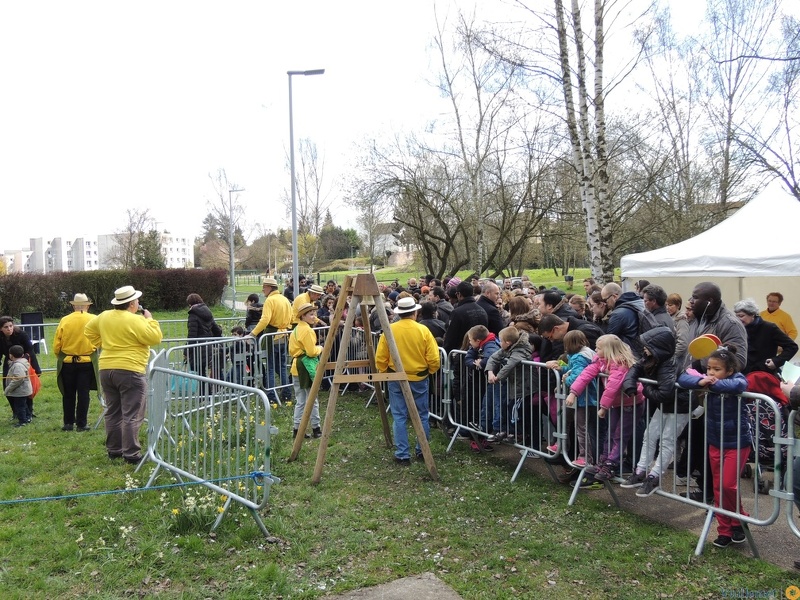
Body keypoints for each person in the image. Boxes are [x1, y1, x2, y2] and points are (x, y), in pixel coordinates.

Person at [677, 345, 749, 548]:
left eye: (716, 369)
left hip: (737, 442)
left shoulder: (738, 379)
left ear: (730, 370)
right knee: (718, 486)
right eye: (709, 368)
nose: (710, 372)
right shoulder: (706, 379)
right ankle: (726, 529)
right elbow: (683, 378)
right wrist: (701, 381)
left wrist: (710, 384)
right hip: (715, 441)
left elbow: (739, 386)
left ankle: (739, 519)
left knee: (729, 485)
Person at [84, 285, 163, 464]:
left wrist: (103, 344)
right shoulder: (137, 320)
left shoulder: (103, 316)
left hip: (106, 368)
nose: (138, 302)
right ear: (131, 303)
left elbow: (88, 330)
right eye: (136, 300)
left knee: (112, 411)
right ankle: (131, 453)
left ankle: (114, 450)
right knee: (132, 414)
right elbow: (155, 338)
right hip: (130, 369)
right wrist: (150, 319)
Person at [620, 327, 690, 497]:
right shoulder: (652, 358)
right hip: (665, 405)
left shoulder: (668, 365)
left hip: (679, 407)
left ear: (657, 348)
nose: (644, 349)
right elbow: (636, 369)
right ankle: (641, 470)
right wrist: (629, 384)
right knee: (649, 435)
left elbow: (664, 393)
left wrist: (644, 387)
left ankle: (655, 476)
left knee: (667, 440)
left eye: (647, 346)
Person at [566, 334, 643, 482]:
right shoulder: (601, 361)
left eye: (598, 348)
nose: (595, 349)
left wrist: (603, 407)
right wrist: (573, 392)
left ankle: (611, 464)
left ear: (608, 350)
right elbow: (585, 375)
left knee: (620, 435)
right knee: (611, 432)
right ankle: (604, 460)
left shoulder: (620, 365)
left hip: (631, 404)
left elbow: (612, 387)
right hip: (616, 404)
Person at [375, 296, 441, 465]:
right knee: (422, 416)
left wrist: (384, 371)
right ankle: (422, 450)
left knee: (399, 416)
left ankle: (403, 454)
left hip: (396, 377)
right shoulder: (423, 330)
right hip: (419, 377)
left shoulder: (390, 330)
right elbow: (434, 358)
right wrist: (430, 371)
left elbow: (381, 357)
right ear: (415, 312)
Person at [546, 330, 597, 468]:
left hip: (582, 398)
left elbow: (577, 376)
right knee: (564, 419)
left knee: (581, 428)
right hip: (576, 398)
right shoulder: (580, 355)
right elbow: (571, 369)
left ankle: (585, 457)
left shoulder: (580, 357)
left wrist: (565, 379)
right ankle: (561, 445)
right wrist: (560, 366)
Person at [54, 293, 98, 431]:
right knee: (84, 393)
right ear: (87, 306)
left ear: (73, 305)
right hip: (86, 361)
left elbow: (57, 343)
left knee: (68, 393)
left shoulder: (65, 320)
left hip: (68, 361)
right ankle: (81, 423)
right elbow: (99, 339)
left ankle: (68, 423)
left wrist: (60, 355)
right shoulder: (94, 319)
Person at [249, 277, 293, 403]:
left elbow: (265, 319)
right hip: (284, 335)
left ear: (269, 287)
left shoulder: (270, 300)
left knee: (271, 367)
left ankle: (271, 395)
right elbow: (291, 318)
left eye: (264, 287)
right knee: (283, 366)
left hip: (272, 335)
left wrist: (252, 333)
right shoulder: (285, 299)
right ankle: (286, 394)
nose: (263, 289)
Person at [485, 326, 532, 442]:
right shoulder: (507, 348)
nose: (499, 343)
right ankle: (507, 430)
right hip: (512, 386)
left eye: (500, 341)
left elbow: (510, 365)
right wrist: (490, 372)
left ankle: (517, 433)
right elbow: (493, 358)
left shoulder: (520, 350)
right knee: (506, 406)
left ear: (508, 342)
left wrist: (498, 377)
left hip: (522, 387)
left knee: (515, 410)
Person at [733, 298, 797, 377]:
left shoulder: (769, 328)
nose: (738, 319)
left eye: (741, 316)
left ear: (752, 314)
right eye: (736, 316)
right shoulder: (737, 329)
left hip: (763, 375)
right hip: (742, 374)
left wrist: (776, 361)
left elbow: (792, 346)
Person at [289, 303, 323, 439]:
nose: (313, 316)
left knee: (301, 400)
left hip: (296, 366)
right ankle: (316, 428)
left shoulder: (297, 329)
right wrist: (320, 348)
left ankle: (297, 429)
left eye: (314, 313)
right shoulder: (307, 330)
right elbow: (311, 351)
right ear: (303, 316)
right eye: (311, 314)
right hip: (305, 366)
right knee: (312, 399)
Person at [465, 324, 500, 449]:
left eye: (470, 340)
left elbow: (490, 359)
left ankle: (483, 436)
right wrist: (476, 365)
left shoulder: (490, 345)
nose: (469, 342)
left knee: (488, 408)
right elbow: (468, 357)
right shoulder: (480, 345)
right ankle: (482, 436)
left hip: (495, 382)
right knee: (486, 407)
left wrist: (482, 363)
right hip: (488, 381)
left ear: (478, 340)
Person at [0, 316, 42, 419]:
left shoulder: (21, 334)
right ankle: (16, 412)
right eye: (6, 327)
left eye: (11, 326)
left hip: (25, 361)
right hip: (9, 361)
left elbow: (30, 349)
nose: (9, 329)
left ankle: (29, 412)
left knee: (26, 387)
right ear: (1, 328)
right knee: (8, 387)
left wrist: (33, 367)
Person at [186, 293, 223, 393]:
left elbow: (191, 335)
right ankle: (212, 393)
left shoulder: (193, 315)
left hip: (198, 347)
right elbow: (217, 330)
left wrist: (186, 351)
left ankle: (203, 396)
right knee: (213, 369)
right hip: (209, 346)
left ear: (190, 303)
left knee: (200, 373)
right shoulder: (208, 312)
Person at [442, 281, 487, 353]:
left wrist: (445, 353)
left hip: (460, 353)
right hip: (480, 351)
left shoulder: (457, 312)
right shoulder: (482, 310)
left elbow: (451, 337)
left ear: (459, 294)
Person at [4, 345, 32, 427]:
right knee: (24, 405)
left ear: (11, 355)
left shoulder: (18, 365)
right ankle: (28, 417)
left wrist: (8, 388)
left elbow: (18, 379)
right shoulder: (21, 362)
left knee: (19, 407)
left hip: (20, 390)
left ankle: (22, 421)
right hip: (23, 390)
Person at [666, 293, 690, 367]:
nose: (667, 307)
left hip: (676, 360)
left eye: (670, 305)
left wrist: (672, 356)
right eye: (666, 305)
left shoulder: (681, 320)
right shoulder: (670, 317)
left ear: (678, 305)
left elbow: (682, 343)